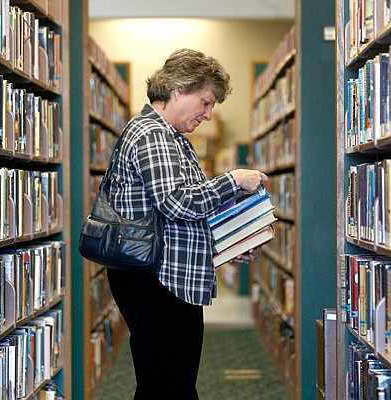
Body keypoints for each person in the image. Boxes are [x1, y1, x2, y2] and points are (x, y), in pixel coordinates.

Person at [105, 48, 268, 399]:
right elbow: (176, 202)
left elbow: (182, 214)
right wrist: (234, 179)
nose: (209, 115)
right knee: (167, 385)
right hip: (155, 279)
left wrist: (225, 247)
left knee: (170, 384)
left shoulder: (173, 137)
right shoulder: (153, 134)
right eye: (206, 102)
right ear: (179, 90)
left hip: (165, 276)